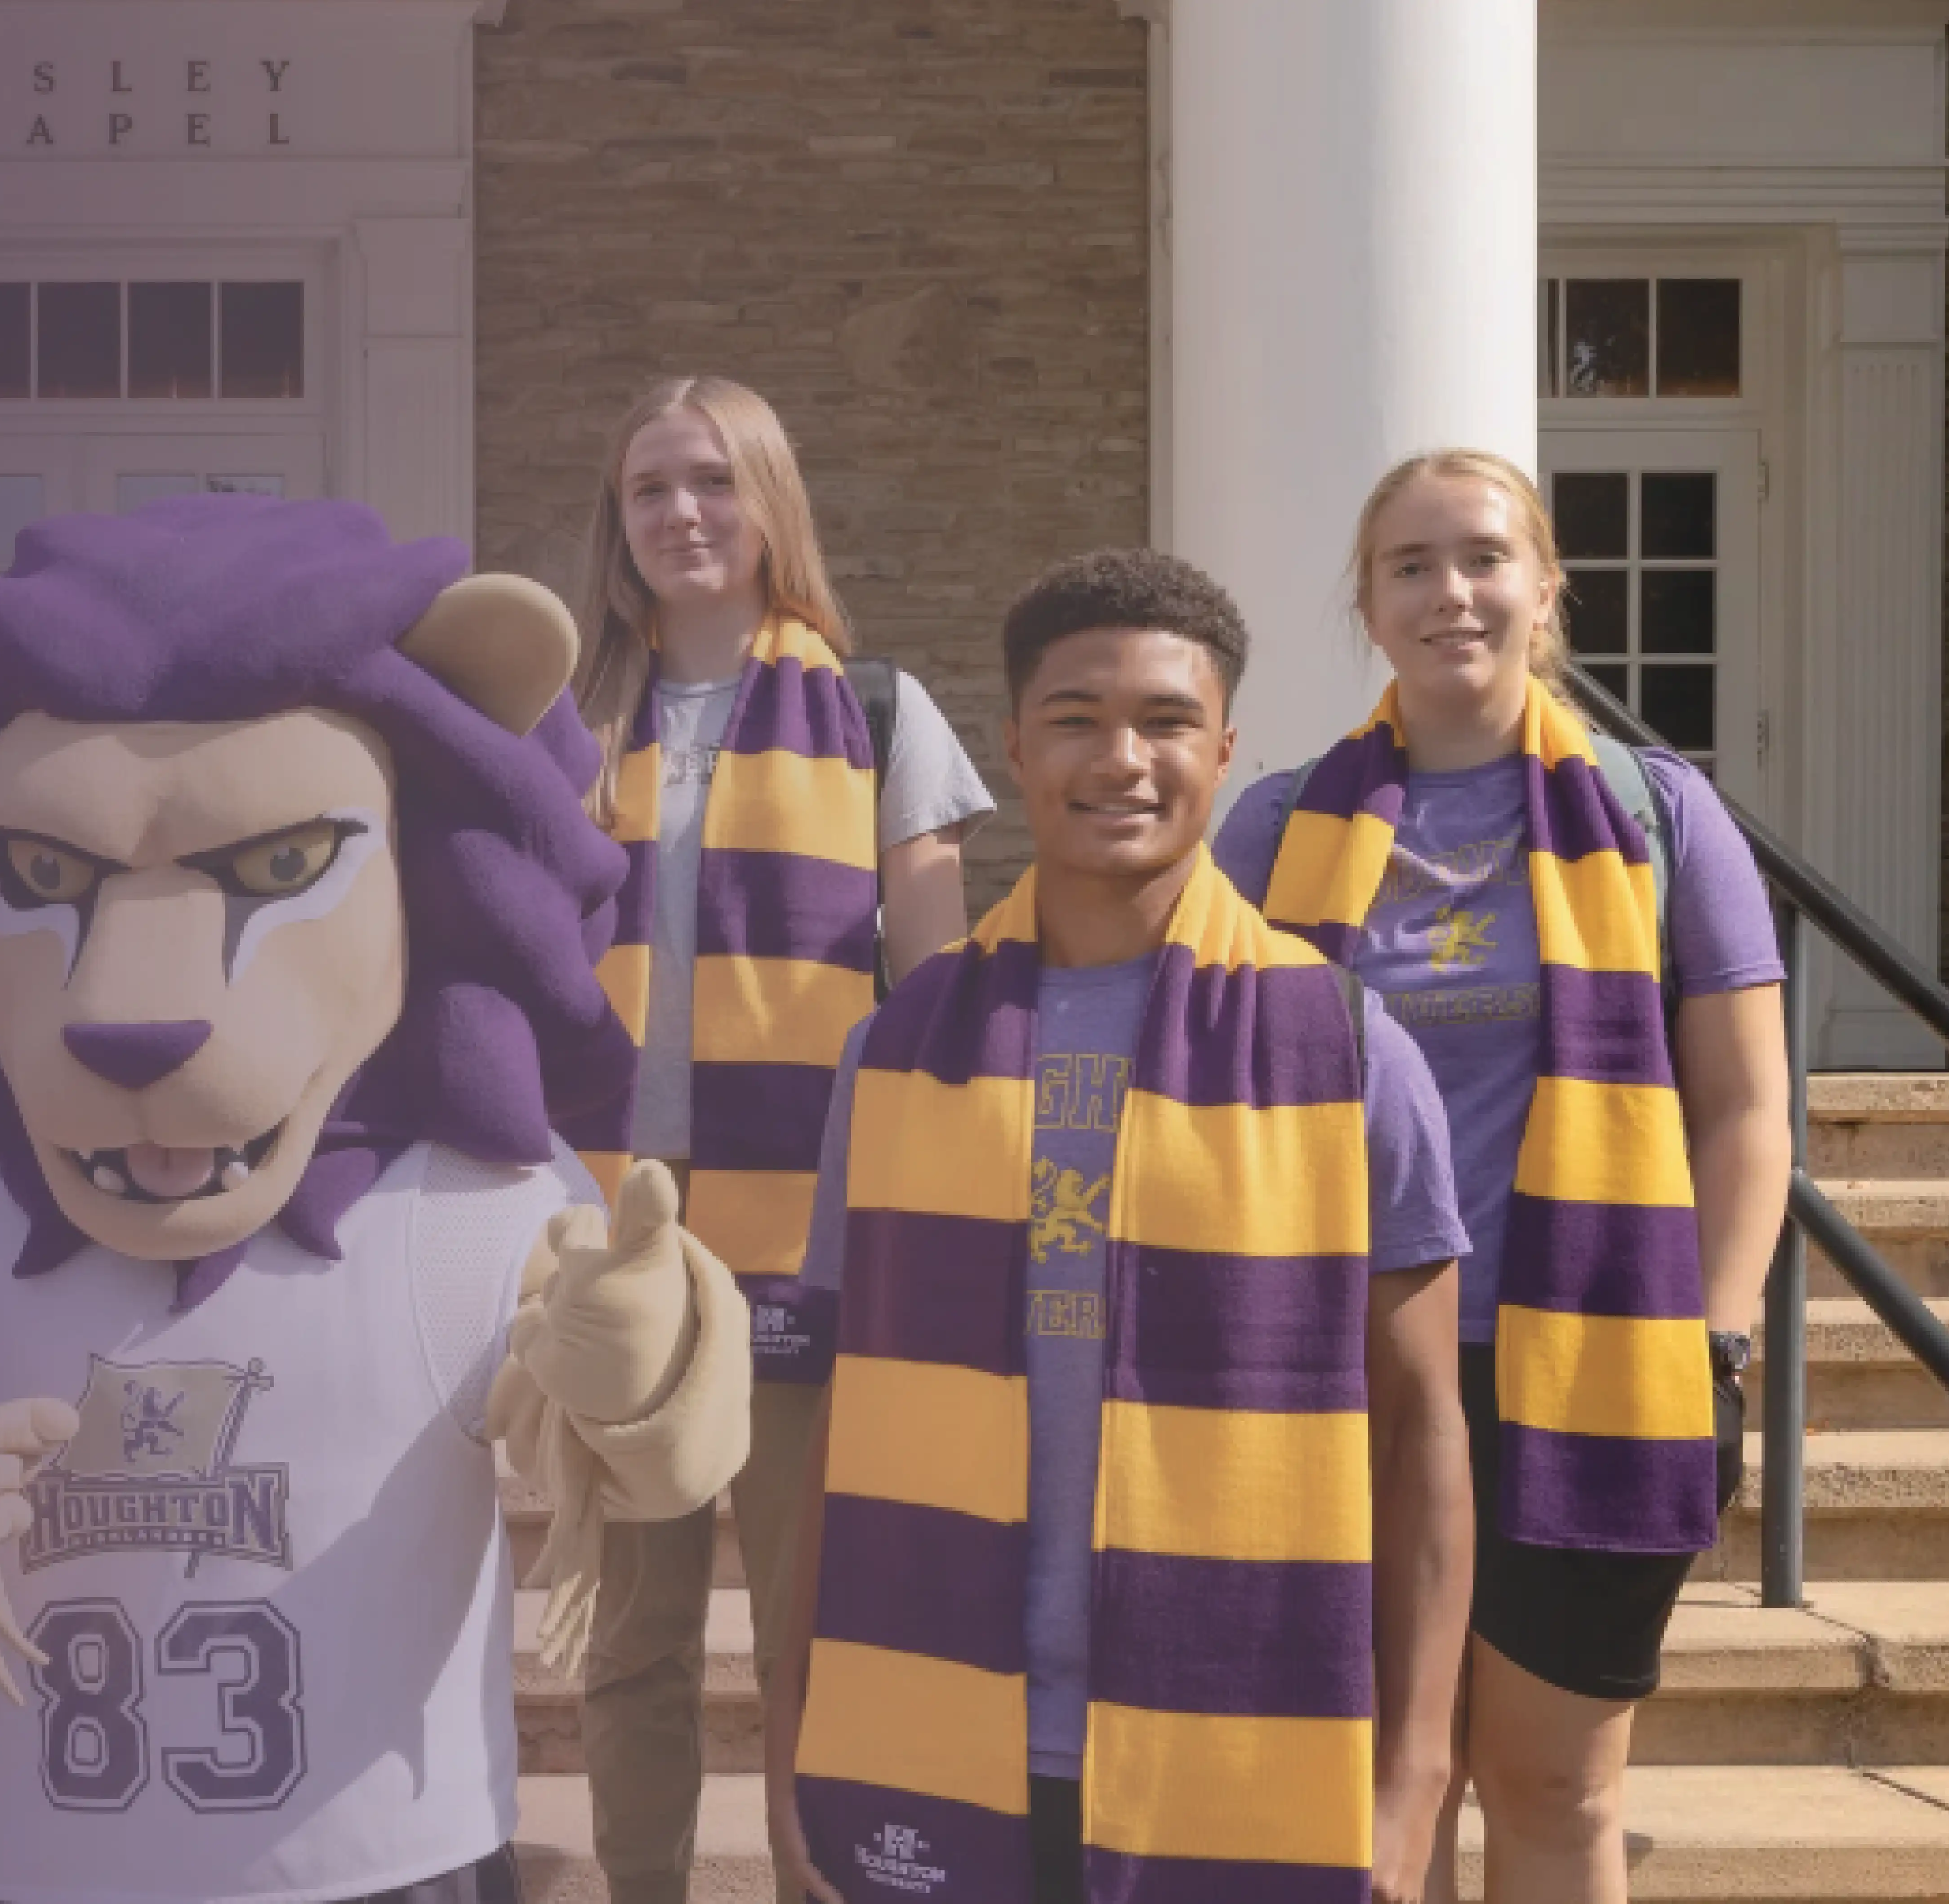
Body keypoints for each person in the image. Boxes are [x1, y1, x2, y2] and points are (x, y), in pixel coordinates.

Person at [0, 495, 754, 1904]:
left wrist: (646, 1360)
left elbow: (661, 1456)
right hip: (36, 1872)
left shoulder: (467, 1205)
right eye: (45, 875)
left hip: (385, 1870)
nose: (132, 1002)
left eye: (282, 865)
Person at [764, 549, 1476, 1904]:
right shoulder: (899, 1049)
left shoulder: (1344, 1048)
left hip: (1244, 1742)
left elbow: (1424, 1429)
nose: (1121, 760)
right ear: (1015, 747)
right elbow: (841, 1425)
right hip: (930, 1731)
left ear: (1225, 750)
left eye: (1164, 721)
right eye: (1077, 719)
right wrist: (788, 1732)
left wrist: (1417, 1771)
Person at [1213, 450, 1788, 1904]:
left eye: (1480, 557)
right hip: (1342, 1369)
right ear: (1366, 603)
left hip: (1592, 1367)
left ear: (1545, 585)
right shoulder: (1274, 828)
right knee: (1367, 1790)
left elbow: (1743, 1109)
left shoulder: (1658, 812)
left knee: (1551, 1785)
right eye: (1408, 565)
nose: (1449, 593)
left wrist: (1717, 1339)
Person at [553, 374, 991, 1904]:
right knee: (636, 1639)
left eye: (711, 481)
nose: (681, 513)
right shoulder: (560, 730)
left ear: (768, 501)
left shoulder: (879, 714)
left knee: (815, 1628)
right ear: (616, 520)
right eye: (649, 488)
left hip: (812, 1229)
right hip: (619, 1236)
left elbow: (936, 1007)